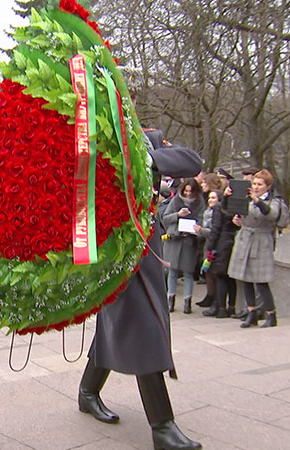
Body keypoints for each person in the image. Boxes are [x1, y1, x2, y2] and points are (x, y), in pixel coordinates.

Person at [77, 65, 203, 450]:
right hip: (112, 248)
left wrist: (147, 159)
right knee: (144, 324)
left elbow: (192, 161)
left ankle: (86, 392)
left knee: (120, 323)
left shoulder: (149, 139)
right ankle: (162, 426)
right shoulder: (90, 143)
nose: (121, 105)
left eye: (124, 98)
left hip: (148, 247)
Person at [227, 169, 281, 328]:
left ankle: (271, 314)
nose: (256, 187)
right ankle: (251, 313)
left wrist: (257, 200)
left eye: (260, 184)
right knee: (245, 278)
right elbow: (236, 211)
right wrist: (237, 218)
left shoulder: (273, 200)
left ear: (268, 186)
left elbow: (271, 215)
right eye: (254, 184)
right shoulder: (247, 198)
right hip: (245, 237)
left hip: (261, 239)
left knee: (261, 280)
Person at [162, 179, 205, 313]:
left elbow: (202, 221)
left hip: (189, 240)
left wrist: (197, 228)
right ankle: (171, 299)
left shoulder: (200, 203)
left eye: (190, 192)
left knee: (188, 273)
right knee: (172, 271)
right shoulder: (176, 201)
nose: (187, 194)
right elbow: (165, 217)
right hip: (174, 239)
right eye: (185, 191)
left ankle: (188, 301)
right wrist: (178, 215)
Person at [197, 190, 239, 318]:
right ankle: (231, 306)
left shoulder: (218, 209)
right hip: (233, 242)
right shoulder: (236, 208)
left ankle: (221, 307)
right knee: (230, 278)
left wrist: (209, 247)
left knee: (220, 276)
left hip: (221, 244)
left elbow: (215, 229)